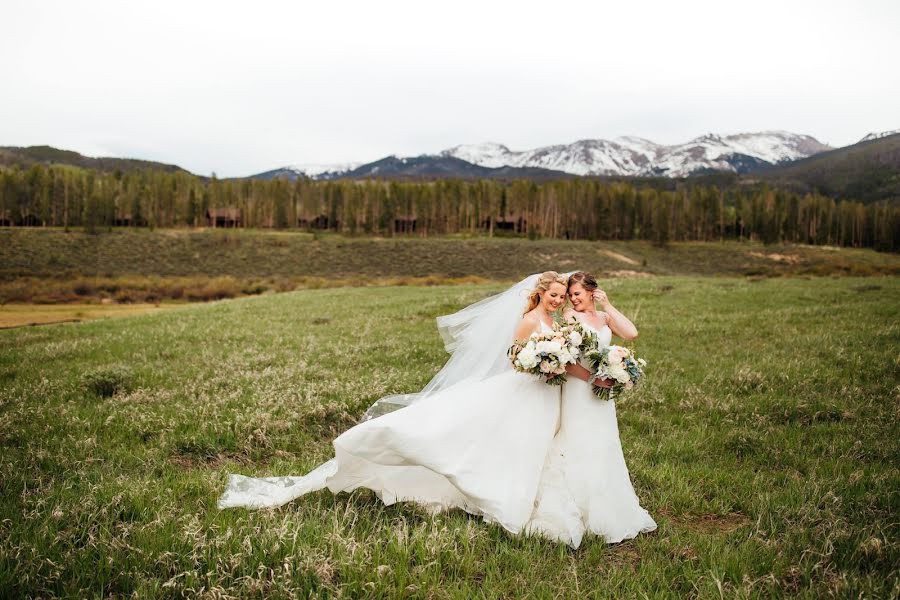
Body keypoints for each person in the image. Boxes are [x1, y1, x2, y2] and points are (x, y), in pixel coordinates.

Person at [219, 272, 578, 541]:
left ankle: (522, 492)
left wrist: (555, 362)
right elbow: (515, 358)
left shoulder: (554, 321)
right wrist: (540, 362)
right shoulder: (530, 320)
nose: (557, 300)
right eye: (553, 295)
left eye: (561, 297)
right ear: (540, 293)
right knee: (462, 431)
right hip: (524, 386)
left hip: (541, 393)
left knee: (521, 443)